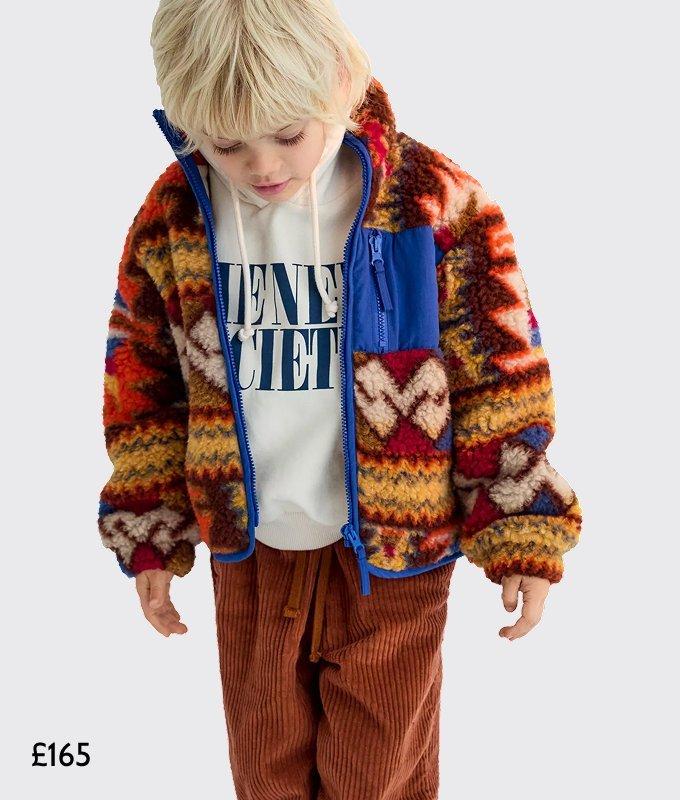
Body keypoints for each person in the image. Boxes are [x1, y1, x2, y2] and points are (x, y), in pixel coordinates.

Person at [98, 1, 583, 796]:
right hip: (250, 550)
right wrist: (150, 529)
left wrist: (521, 524)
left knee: (376, 774)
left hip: (397, 555)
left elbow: (501, 379)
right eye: (227, 145)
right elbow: (142, 385)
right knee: (265, 770)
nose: (261, 166)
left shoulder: (436, 203)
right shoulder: (175, 218)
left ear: (338, 83)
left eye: (287, 135)